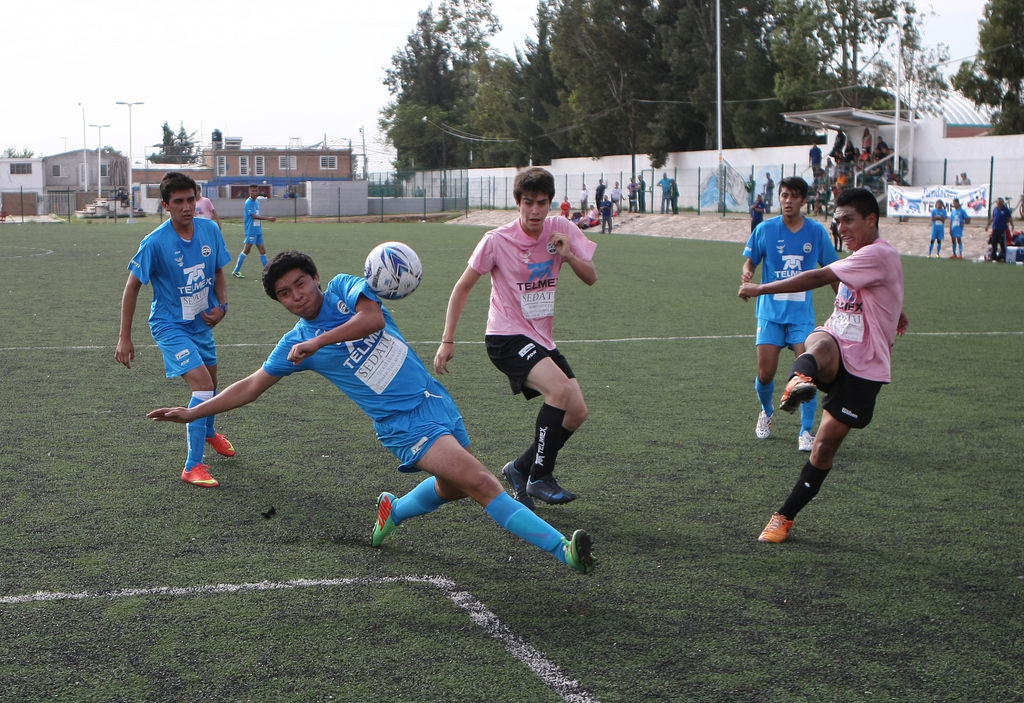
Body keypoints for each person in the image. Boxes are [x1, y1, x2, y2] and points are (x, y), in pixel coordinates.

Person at [147, 250, 595, 574]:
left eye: (300, 284)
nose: (296, 296)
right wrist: (194, 413)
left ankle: (394, 511)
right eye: (285, 294)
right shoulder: (293, 344)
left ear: (316, 278)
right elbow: (251, 386)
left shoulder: (345, 289)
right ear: (280, 303)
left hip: (434, 400)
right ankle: (563, 550)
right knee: (480, 482)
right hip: (402, 426)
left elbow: (373, 320)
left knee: (454, 488)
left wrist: (319, 342)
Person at [739, 187, 908, 543]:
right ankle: (799, 378)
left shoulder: (878, 254)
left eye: (848, 220)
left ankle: (784, 516)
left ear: (871, 220)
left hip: (865, 368)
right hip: (838, 343)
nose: (841, 228)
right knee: (820, 340)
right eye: (837, 221)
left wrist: (760, 289)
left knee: (824, 448)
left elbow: (819, 277)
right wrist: (897, 310)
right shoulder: (864, 256)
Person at [434, 167, 598, 510]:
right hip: (505, 337)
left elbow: (591, 277)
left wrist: (568, 255)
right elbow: (462, 287)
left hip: (541, 339)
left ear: (551, 203)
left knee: (576, 411)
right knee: (559, 390)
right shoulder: (497, 240)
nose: (535, 210)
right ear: (518, 202)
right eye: (528, 202)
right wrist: (447, 340)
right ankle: (540, 476)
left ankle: (520, 469)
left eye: (542, 203)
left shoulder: (561, 229)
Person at [115, 171, 236, 487]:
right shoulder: (155, 242)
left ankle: (208, 432)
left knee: (212, 384)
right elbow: (132, 287)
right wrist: (124, 337)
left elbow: (219, 272)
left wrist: (222, 306)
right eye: (179, 201)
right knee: (202, 387)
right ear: (166, 205)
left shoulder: (210, 230)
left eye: (191, 200)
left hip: (200, 323)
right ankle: (192, 466)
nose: (186, 207)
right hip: (169, 325)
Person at [741, 176, 839, 452]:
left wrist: (843, 303)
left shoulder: (816, 232)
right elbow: (750, 262)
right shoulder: (765, 229)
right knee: (765, 375)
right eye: (784, 195)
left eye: (794, 196)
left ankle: (806, 431)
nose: (788, 201)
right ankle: (766, 410)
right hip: (770, 314)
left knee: (806, 376)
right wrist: (747, 274)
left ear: (803, 201)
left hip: (801, 317)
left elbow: (833, 271)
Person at [232, 184, 276, 278]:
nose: (255, 192)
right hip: (251, 230)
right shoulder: (249, 202)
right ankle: (236, 271)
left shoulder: (256, 202)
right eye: (253, 191)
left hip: (257, 230)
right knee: (246, 250)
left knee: (262, 250)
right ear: (249, 192)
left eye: (256, 191)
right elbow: (253, 216)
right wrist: (268, 218)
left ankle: (267, 272)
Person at [987, 197, 1013, 262]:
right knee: (994, 243)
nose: (1000, 204)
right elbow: (993, 218)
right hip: (995, 229)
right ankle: (993, 256)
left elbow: (1009, 218)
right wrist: (987, 225)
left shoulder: (1005, 209)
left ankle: (1002, 257)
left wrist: (1012, 225)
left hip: (1002, 229)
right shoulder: (995, 209)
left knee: (1002, 244)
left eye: (1001, 203)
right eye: (999, 203)